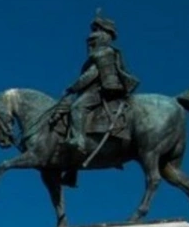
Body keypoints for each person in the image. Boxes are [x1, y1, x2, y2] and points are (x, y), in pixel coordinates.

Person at [60, 11, 140, 153]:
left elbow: (91, 75)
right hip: (107, 88)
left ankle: (78, 139)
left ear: (102, 37)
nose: (89, 44)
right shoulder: (112, 52)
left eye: (92, 41)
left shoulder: (101, 53)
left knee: (77, 107)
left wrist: (72, 88)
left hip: (101, 89)